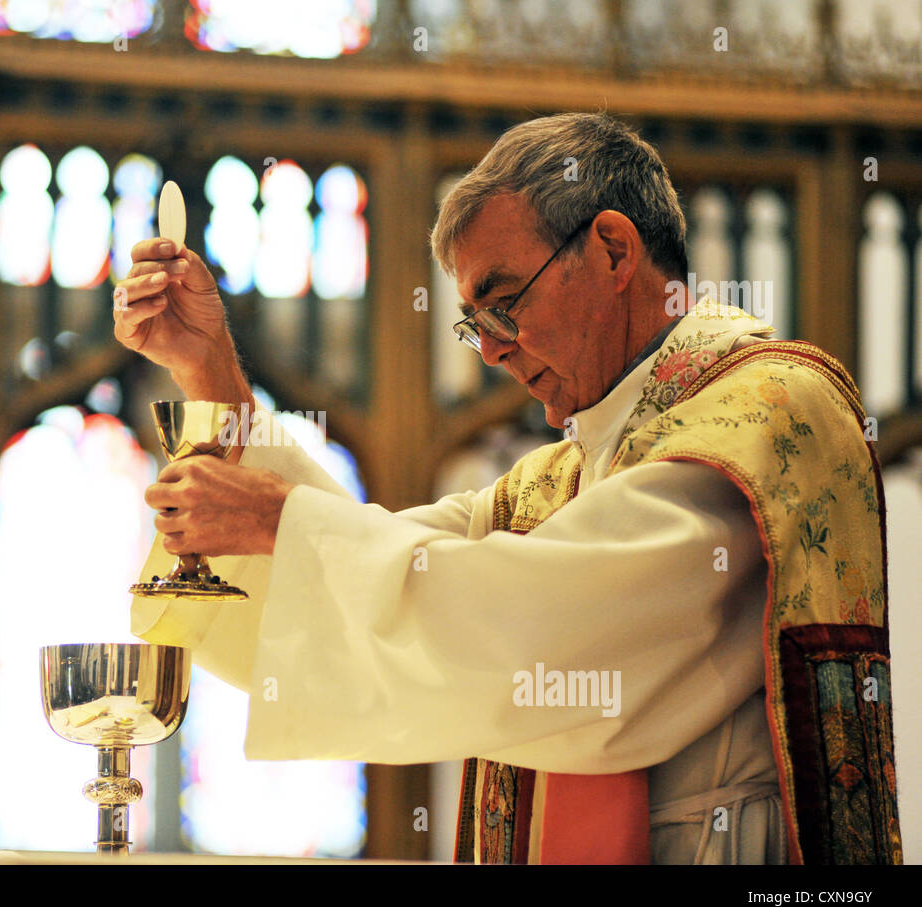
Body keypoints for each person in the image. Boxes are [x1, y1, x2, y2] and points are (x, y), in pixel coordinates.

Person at [111, 112, 902, 864]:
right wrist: (208, 368)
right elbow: (391, 569)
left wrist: (284, 520)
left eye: (503, 303)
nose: (490, 351)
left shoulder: (763, 416)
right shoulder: (564, 477)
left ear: (615, 252)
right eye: (474, 321)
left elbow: (556, 620)